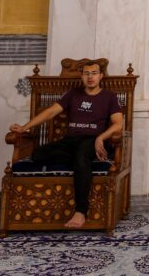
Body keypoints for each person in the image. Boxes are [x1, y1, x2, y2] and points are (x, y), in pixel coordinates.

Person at [9, 60, 123, 229]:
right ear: (81, 76)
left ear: (101, 76)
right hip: (72, 141)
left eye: (94, 73)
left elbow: (118, 123)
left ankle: (81, 211)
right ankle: (81, 163)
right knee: (39, 154)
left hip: (93, 140)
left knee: (82, 153)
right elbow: (50, 112)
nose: (90, 77)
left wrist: (101, 138)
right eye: (86, 73)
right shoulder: (73, 94)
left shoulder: (109, 97)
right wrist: (25, 127)